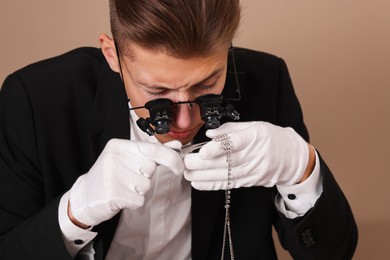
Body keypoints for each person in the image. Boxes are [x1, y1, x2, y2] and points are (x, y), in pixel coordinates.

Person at [0, 0, 358, 259]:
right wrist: (74, 213)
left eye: (207, 84)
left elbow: (333, 253)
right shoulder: (34, 99)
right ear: (112, 55)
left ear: (227, 53)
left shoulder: (267, 81)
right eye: (156, 93)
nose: (184, 123)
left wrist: (302, 167)